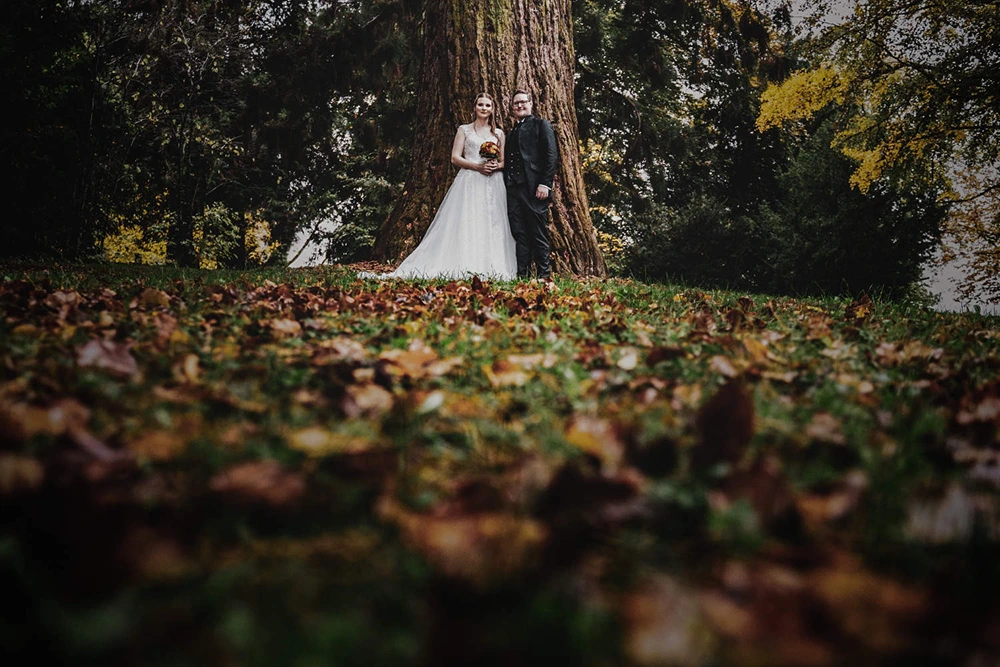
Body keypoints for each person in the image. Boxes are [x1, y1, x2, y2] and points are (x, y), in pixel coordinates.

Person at [361, 92, 517, 280]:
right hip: (470, 180)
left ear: (493, 110)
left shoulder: (498, 133)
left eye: (488, 106)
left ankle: (493, 264)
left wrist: (494, 166)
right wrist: (477, 166)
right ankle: (468, 263)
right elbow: (455, 158)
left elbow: (503, 161)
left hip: (493, 182)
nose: (484, 108)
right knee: (469, 220)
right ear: (475, 107)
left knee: (493, 221)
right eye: (481, 105)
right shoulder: (464, 130)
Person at [503, 89, 558, 280]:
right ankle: (522, 276)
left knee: (538, 233)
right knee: (520, 233)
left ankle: (544, 276)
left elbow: (551, 155)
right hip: (513, 189)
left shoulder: (541, 125)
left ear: (530, 103)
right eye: (516, 103)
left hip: (534, 187)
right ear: (512, 108)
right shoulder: (510, 133)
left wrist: (545, 184)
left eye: (523, 102)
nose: (520, 105)